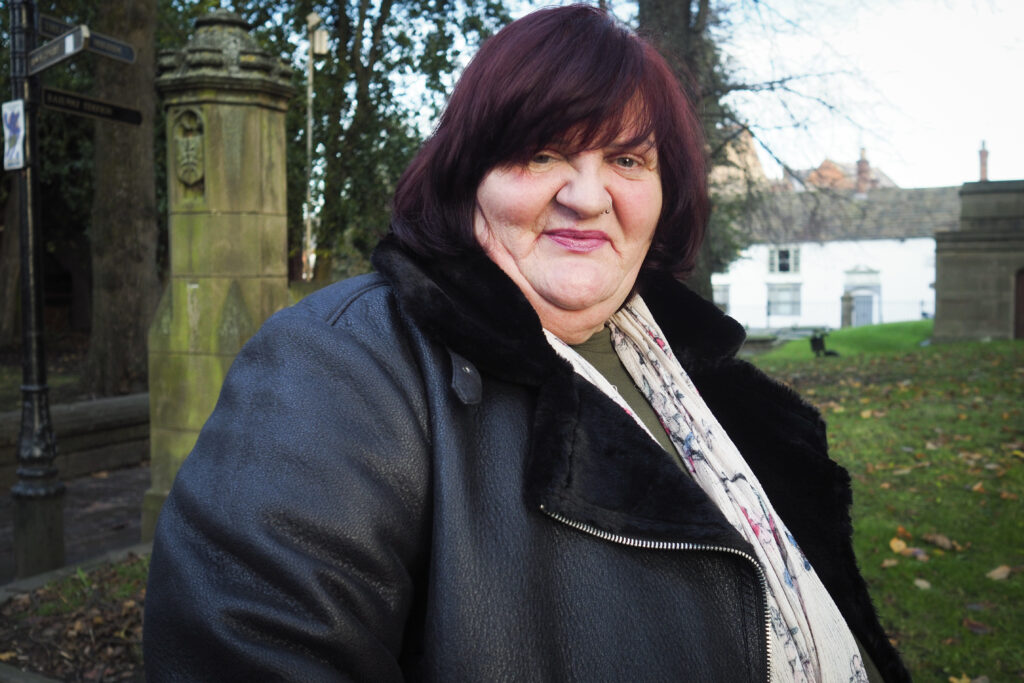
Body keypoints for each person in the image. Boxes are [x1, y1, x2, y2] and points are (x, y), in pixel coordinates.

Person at [144, 6, 909, 681]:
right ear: (468, 172)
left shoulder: (688, 370)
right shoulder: (338, 366)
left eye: (627, 159)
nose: (586, 195)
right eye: (543, 153)